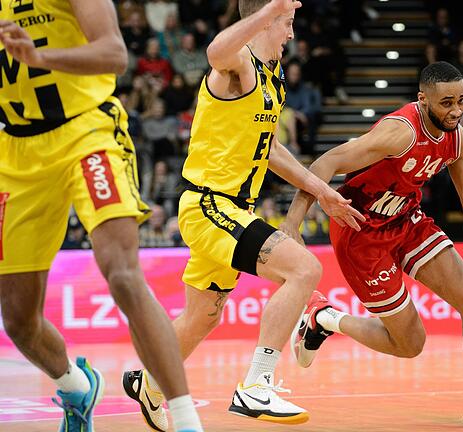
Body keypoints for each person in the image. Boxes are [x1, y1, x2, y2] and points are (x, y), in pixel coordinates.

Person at [121, 0, 365, 429]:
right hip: (210, 205)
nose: (291, 34)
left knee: (204, 315)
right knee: (304, 270)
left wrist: (323, 191)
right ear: (266, 21)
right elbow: (215, 51)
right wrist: (268, 8)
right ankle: (257, 385)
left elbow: (270, 150)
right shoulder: (239, 66)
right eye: (286, 24)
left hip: (229, 209)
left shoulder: (272, 79)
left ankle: (150, 383)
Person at [282, 61, 463, 428]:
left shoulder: (457, 140)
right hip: (361, 235)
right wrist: (293, 222)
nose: (455, 111)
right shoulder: (399, 132)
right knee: (410, 344)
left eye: (461, 101)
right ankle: (323, 319)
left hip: (406, 221)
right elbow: (329, 161)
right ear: (423, 100)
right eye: (446, 103)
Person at [0, 1, 203, 431]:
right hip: (16, 152)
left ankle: (186, 422)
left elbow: (114, 53)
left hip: (86, 131)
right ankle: (77, 387)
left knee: (123, 276)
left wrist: (41, 57)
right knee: (17, 318)